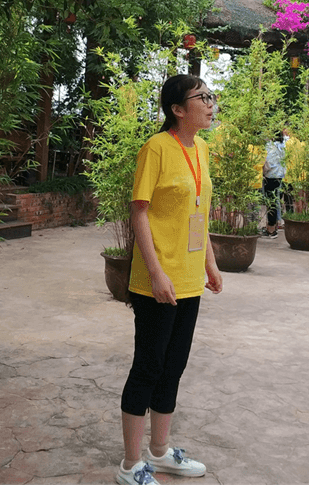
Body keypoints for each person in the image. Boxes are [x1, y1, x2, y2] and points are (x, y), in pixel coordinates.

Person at [118, 75, 223, 485]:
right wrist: (156, 271)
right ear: (178, 109)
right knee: (148, 366)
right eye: (202, 97)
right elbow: (139, 211)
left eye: (211, 96)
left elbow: (199, 213)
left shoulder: (202, 149)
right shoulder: (156, 148)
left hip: (189, 279)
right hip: (156, 282)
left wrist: (210, 264)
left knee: (173, 366)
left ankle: (159, 452)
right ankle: (130, 464)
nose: (211, 104)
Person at [261, 131, 286, 238]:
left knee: (271, 202)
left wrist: (263, 171)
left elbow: (268, 163)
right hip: (280, 176)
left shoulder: (270, 146)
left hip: (271, 176)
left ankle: (271, 229)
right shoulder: (283, 145)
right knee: (276, 201)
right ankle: (274, 226)